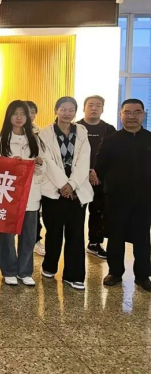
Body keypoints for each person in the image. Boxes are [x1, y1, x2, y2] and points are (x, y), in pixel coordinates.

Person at [96, 99, 151, 292]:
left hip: (145, 199)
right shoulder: (111, 140)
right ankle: (115, 272)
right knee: (115, 236)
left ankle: (143, 275)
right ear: (121, 115)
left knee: (142, 238)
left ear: (143, 114)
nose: (132, 116)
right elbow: (99, 169)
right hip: (116, 198)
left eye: (137, 112)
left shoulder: (149, 139)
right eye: (127, 112)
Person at [39, 97, 92, 291]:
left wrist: (72, 184)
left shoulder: (82, 131)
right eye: (63, 109)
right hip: (53, 191)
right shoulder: (44, 133)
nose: (67, 113)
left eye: (71, 110)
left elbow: (84, 160)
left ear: (75, 112)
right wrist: (63, 185)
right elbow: (47, 160)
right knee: (53, 232)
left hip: (77, 192)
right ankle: (49, 266)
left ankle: (74, 275)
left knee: (76, 233)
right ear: (56, 110)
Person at [0, 101, 45, 287]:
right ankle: (9, 270)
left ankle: (25, 271)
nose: (19, 117)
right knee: (7, 234)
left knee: (29, 235)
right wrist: (10, 164)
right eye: (15, 114)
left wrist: (38, 164)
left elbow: (42, 169)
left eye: (23, 114)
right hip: (8, 193)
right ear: (9, 116)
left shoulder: (36, 140)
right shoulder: (1, 140)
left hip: (30, 194)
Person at [77, 95, 116, 259]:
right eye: (90, 105)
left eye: (98, 105)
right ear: (84, 108)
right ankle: (74, 244)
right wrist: (86, 171)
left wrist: (97, 172)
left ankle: (94, 243)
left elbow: (113, 155)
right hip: (77, 179)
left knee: (98, 212)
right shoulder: (75, 127)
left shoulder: (109, 129)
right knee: (76, 214)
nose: (94, 108)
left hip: (99, 179)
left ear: (102, 109)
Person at [27, 100, 45, 256]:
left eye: (33, 112)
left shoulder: (41, 133)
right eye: (26, 112)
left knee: (34, 215)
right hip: (16, 183)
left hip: (36, 180)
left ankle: (36, 241)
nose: (30, 115)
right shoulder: (7, 134)